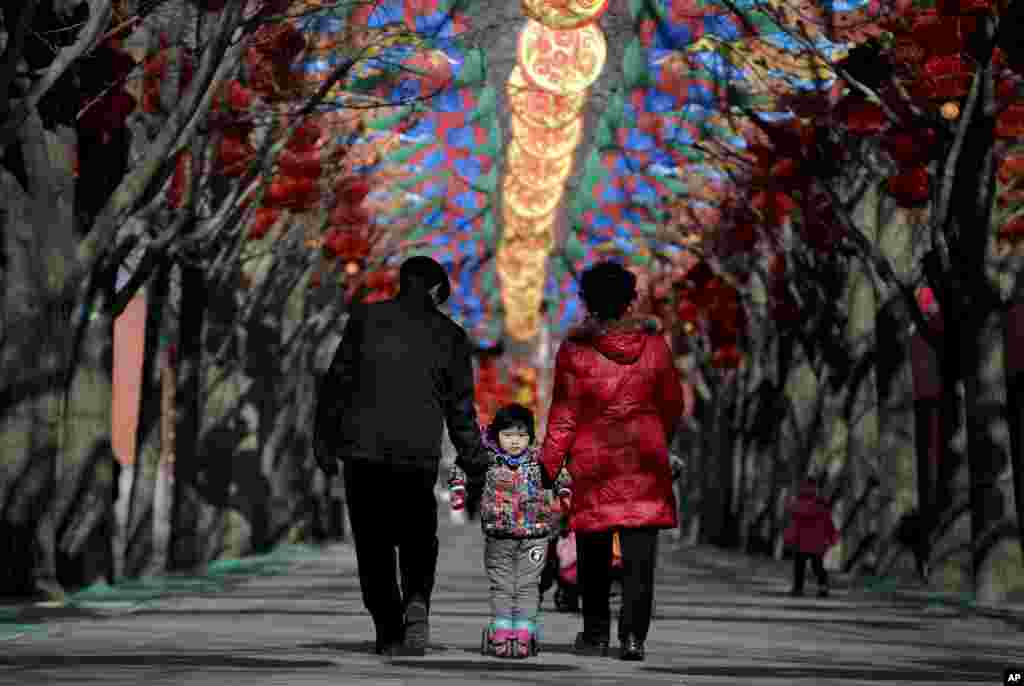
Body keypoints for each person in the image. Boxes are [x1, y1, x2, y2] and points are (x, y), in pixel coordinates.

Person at [313, 255, 488, 657]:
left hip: (363, 453)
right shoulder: (451, 336)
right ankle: (417, 600)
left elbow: (335, 385)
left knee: (373, 544)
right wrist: (474, 458)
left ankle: (389, 630)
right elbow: (460, 409)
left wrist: (323, 441)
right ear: (433, 290)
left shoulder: (365, 321)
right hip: (417, 456)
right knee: (417, 538)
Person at [540, 260, 685, 662]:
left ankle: (595, 633)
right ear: (631, 300)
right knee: (640, 559)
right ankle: (634, 637)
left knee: (592, 554)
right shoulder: (655, 348)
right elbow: (673, 404)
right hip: (644, 463)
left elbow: (564, 416)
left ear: (587, 301)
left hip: (594, 465)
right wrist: (659, 439)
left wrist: (547, 468)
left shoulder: (574, 351)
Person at [448, 403, 571, 658]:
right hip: (499, 533)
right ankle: (503, 629)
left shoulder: (538, 458)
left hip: (535, 534)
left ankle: (524, 631)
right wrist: (458, 489)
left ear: (531, 436)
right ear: (497, 436)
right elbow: (462, 463)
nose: (515, 442)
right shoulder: (489, 458)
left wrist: (565, 491)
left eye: (521, 435)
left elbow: (558, 471)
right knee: (502, 585)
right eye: (508, 435)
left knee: (528, 585)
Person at [783, 477, 838, 598]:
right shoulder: (821, 505)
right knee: (817, 567)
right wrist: (832, 537)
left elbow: (793, 522)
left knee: (800, 566)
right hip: (816, 542)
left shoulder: (797, 504)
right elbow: (828, 523)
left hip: (801, 542)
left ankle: (798, 589)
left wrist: (788, 538)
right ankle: (822, 587)